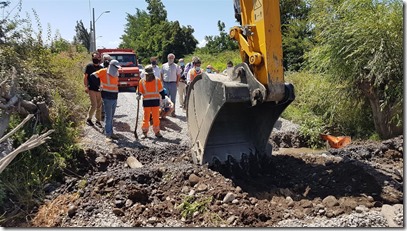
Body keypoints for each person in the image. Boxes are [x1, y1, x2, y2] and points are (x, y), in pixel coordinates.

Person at [91, 60, 121, 142]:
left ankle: (111, 133)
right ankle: (108, 135)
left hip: (114, 96)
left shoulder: (116, 72)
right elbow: (92, 76)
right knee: (108, 117)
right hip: (107, 97)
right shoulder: (104, 71)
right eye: (116, 67)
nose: (117, 69)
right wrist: (98, 85)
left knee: (111, 117)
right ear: (111, 66)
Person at [138, 64, 166, 138]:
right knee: (146, 117)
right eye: (148, 74)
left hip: (155, 102)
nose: (149, 76)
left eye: (150, 74)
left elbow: (161, 90)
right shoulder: (142, 81)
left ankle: (157, 132)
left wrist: (163, 97)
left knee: (156, 117)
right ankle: (144, 132)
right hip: (146, 102)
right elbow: (139, 91)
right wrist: (138, 95)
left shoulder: (157, 80)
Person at [84, 52, 103, 127]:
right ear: (92, 58)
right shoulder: (89, 66)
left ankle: (98, 120)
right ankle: (89, 119)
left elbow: (102, 78)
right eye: (94, 57)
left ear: (100, 58)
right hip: (91, 88)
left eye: (97, 57)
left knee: (99, 106)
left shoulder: (101, 68)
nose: (96, 59)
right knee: (94, 105)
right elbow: (85, 77)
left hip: (99, 89)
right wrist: (86, 86)